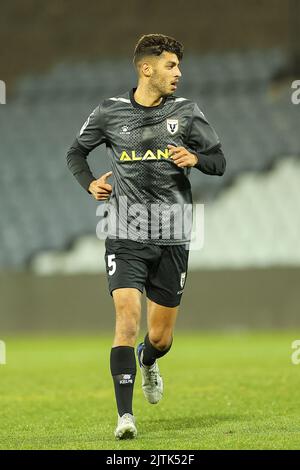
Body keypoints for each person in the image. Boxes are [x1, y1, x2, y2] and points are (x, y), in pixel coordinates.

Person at [67, 33, 226, 439]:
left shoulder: (187, 113)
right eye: (171, 65)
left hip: (173, 234)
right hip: (124, 231)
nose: (179, 73)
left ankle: (149, 361)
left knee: (160, 337)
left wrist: (197, 158)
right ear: (146, 68)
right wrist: (89, 184)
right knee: (127, 318)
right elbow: (75, 153)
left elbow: (219, 161)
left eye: (178, 66)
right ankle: (125, 417)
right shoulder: (109, 112)